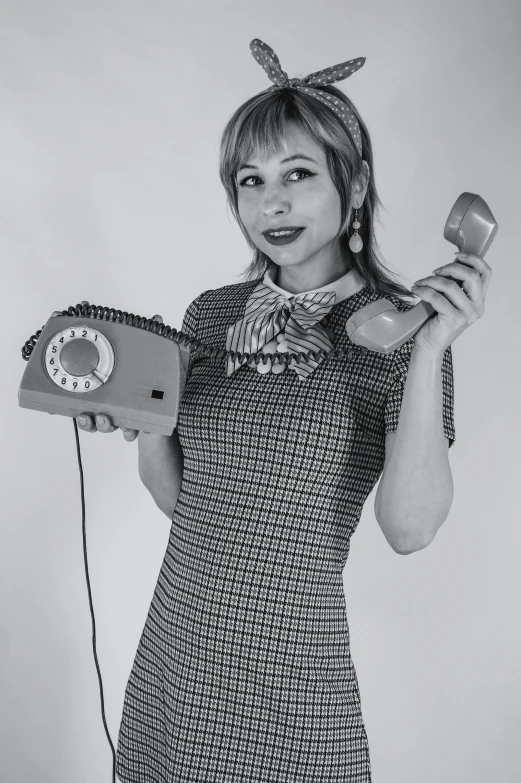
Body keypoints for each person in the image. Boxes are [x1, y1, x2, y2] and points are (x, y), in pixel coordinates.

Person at [77, 38, 491, 783]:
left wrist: (427, 352)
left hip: (288, 674)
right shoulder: (210, 315)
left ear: (354, 186)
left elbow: (410, 528)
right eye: (250, 180)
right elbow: (186, 500)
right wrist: (143, 426)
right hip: (177, 652)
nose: (271, 201)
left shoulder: (400, 336)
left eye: (297, 174)